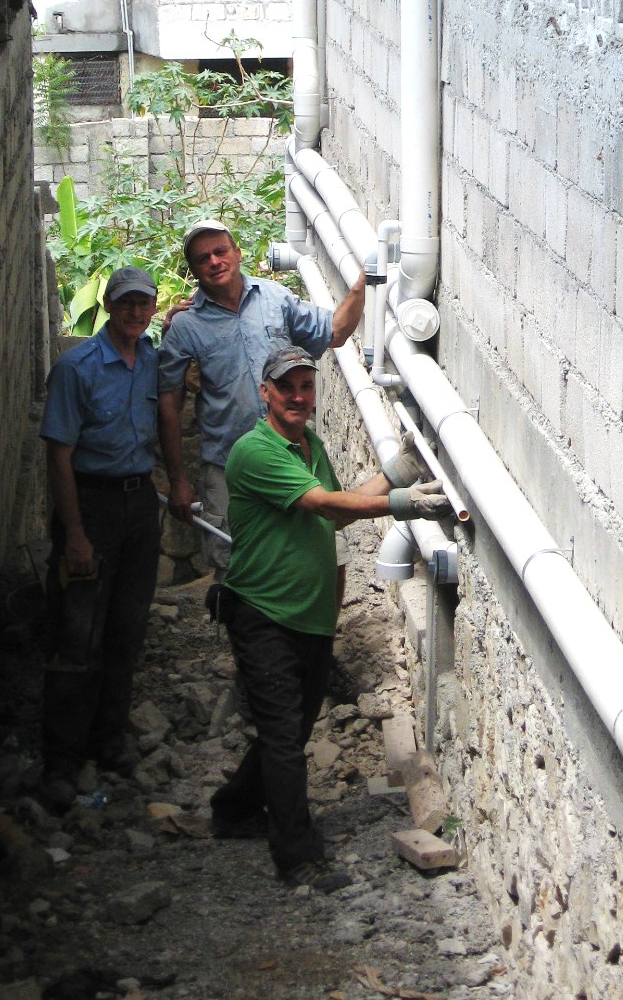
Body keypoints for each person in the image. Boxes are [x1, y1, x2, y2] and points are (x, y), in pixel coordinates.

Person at [209, 346, 450, 888]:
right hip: (262, 613)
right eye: (286, 387)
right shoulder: (255, 451)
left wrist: (398, 473)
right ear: (265, 393)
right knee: (282, 736)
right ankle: (298, 857)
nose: (298, 397)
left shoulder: (310, 445)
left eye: (306, 386)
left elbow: (336, 513)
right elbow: (323, 504)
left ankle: (234, 809)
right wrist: (407, 502)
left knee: (290, 730)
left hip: (309, 616)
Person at [40, 266, 195, 808]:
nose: (135, 312)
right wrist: (75, 534)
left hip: (137, 504)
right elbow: (58, 457)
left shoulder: (150, 358)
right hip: (91, 504)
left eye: (144, 304)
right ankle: (61, 760)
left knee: (126, 629)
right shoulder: (76, 368)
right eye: (126, 302)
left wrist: (176, 480)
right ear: (108, 305)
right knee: (78, 631)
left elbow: (169, 409)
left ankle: (108, 741)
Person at [158, 219, 366, 578]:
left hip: (290, 457)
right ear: (193, 269)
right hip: (228, 465)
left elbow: (334, 332)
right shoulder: (185, 326)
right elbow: (168, 403)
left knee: (319, 550)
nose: (214, 261)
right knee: (232, 563)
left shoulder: (275, 299)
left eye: (220, 251)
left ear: (237, 253)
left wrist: (363, 282)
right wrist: (178, 479)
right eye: (203, 258)